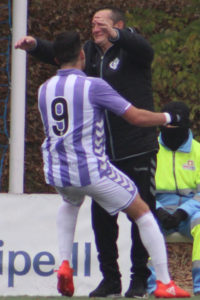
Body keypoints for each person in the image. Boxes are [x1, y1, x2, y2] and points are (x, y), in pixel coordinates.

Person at [16, 7, 162, 297]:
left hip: (136, 148)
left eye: (102, 24)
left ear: (118, 26)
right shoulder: (90, 53)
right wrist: (35, 46)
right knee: (102, 220)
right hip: (102, 154)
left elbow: (146, 50)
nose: (96, 29)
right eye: (93, 24)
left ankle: (139, 280)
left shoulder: (131, 47)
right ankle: (110, 279)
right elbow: (64, 56)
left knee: (140, 214)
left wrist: (117, 35)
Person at [35, 30, 190, 298]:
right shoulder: (93, 85)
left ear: (56, 57)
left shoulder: (44, 89)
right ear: (82, 55)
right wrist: (168, 115)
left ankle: (64, 263)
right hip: (90, 169)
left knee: (70, 203)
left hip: (57, 170)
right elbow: (136, 117)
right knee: (143, 212)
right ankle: (165, 283)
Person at [146, 101, 200, 296]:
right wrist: (158, 209)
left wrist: (183, 211)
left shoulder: (198, 151)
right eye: (167, 126)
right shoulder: (150, 150)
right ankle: (153, 286)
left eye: (176, 127)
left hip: (191, 210)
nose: (171, 131)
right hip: (158, 208)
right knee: (146, 224)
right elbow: (144, 189)